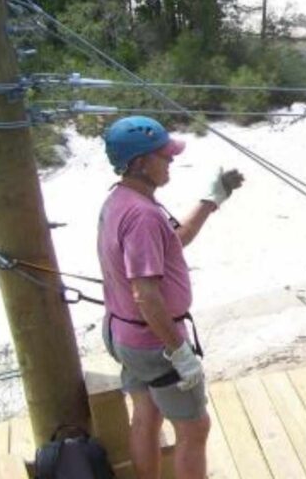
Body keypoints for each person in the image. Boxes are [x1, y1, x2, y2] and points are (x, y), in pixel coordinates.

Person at [97, 116, 244, 479]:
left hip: (125, 335)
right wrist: (179, 351)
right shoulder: (143, 215)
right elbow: (146, 295)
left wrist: (212, 199)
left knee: (145, 416)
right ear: (140, 163)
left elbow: (175, 240)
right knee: (194, 429)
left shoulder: (120, 199)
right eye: (164, 155)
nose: (171, 161)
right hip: (154, 343)